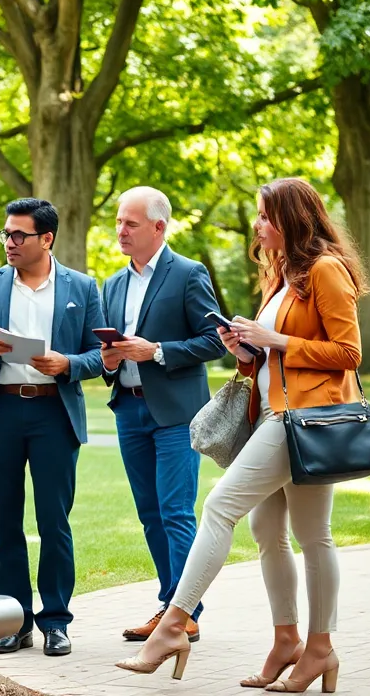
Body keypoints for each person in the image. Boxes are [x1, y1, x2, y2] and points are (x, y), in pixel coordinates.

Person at [117, 177, 368, 693]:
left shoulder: (326, 270)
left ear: (291, 220)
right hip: (274, 412)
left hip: (302, 419)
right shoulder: (283, 275)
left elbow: (349, 354)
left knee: (220, 507)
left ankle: (173, 626)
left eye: (264, 216)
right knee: (275, 534)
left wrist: (274, 338)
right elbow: (277, 355)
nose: (257, 225)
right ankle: (293, 642)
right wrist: (247, 350)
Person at [0, 198, 106, 658]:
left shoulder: (82, 287)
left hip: (53, 415)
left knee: (54, 522)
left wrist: (68, 363)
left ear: (47, 239)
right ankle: (14, 621)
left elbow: (100, 356)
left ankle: (56, 622)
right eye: (5, 234)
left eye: (18, 235)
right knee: (3, 522)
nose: (9, 243)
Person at [100, 187, 225, 643]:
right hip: (128, 410)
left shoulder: (188, 274)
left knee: (175, 511)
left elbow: (215, 340)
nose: (121, 231)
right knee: (149, 513)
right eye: (118, 221)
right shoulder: (112, 284)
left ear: (158, 227)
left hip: (175, 414)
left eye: (130, 224)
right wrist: (108, 361)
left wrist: (156, 352)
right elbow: (106, 353)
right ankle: (169, 605)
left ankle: (183, 611)